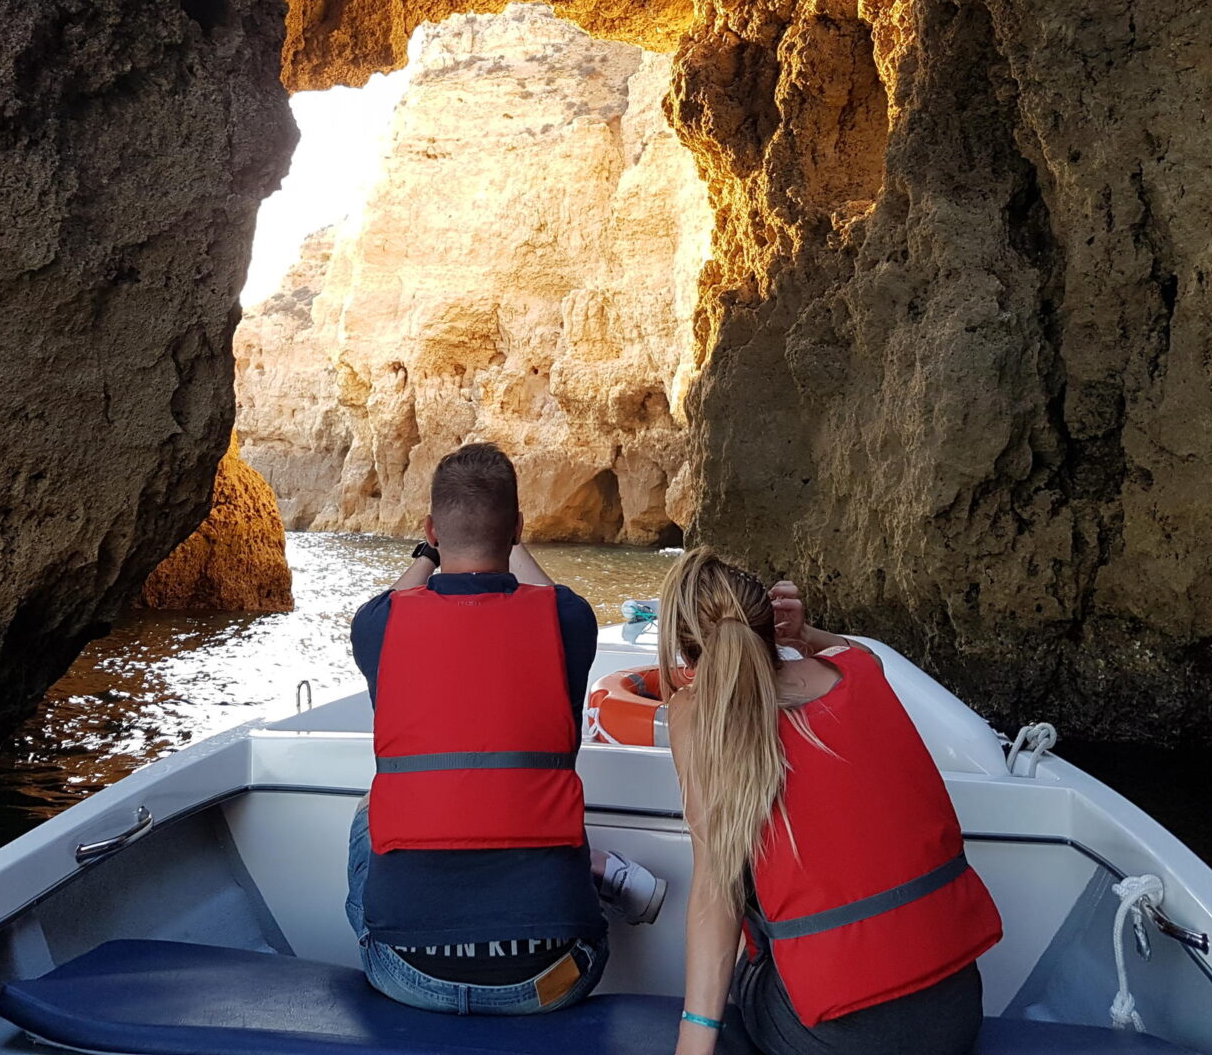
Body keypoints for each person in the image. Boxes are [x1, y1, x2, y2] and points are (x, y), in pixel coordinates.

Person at [344, 441, 665, 1015]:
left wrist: (427, 551)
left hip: (407, 972)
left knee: (370, 810)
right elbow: (543, 594)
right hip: (555, 974)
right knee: (544, 809)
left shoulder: (379, 627)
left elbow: (398, 596)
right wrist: (512, 542)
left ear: (431, 530)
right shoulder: (567, 620)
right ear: (518, 528)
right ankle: (595, 875)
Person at [660, 548, 1003, 1055]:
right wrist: (806, 637)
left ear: (687, 653)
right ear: (770, 629)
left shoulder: (695, 719)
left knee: (741, 905)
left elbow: (717, 892)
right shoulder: (858, 671)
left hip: (836, 1041)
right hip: (955, 1014)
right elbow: (860, 653)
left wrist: (693, 1040)